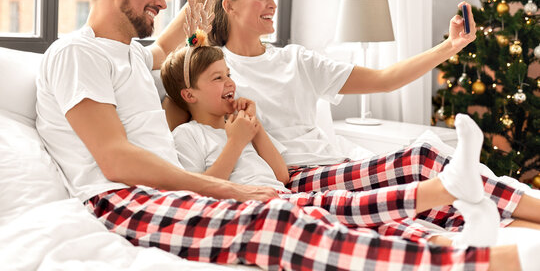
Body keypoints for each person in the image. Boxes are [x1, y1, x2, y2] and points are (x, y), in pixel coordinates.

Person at [33, 0, 531, 269]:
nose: (162, 0)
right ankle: (489, 259)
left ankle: (468, 238)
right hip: (122, 197)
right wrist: (222, 185)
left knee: (298, 208)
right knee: (278, 216)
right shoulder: (76, 53)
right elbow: (116, 158)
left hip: (175, 187)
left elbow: (173, 46)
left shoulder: (134, 58)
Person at [157, 0, 540, 235]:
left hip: (336, 166)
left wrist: (450, 47)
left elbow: (385, 80)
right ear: (230, 6)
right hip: (297, 178)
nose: (272, 2)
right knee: (422, 158)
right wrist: (197, 30)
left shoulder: (296, 60)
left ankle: (518, 231)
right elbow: (175, 92)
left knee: (439, 204)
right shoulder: (216, 71)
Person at [161, 40, 506, 247]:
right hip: (257, 205)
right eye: (217, 77)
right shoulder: (187, 136)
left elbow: (280, 174)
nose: (229, 82)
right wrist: (235, 144)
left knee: (366, 216)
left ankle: (457, 242)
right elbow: (199, 192)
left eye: (229, 74)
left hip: (285, 193)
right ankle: (450, 207)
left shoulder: (239, 125)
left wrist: (256, 131)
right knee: (348, 214)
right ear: (189, 94)